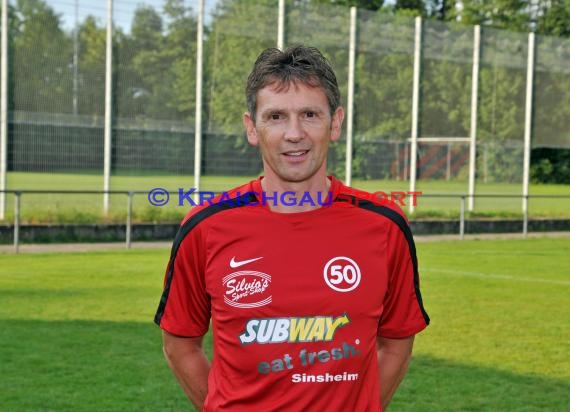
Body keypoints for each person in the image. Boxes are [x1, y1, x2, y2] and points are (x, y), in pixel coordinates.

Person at [154, 45, 429, 411]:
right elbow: (180, 345)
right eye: (276, 116)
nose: (294, 133)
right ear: (252, 128)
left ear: (335, 123)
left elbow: (396, 343)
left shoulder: (384, 225)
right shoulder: (205, 226)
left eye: (310, 114)